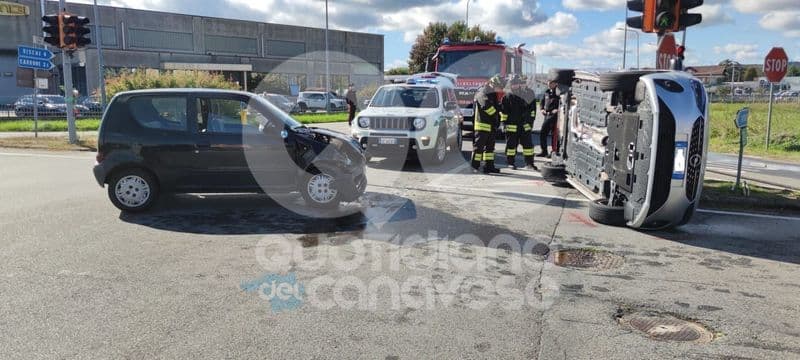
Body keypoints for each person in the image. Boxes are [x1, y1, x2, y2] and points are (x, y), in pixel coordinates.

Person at [501, 74, 537, 170]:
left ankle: (530, 163)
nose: (515, 86)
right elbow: (504, 113)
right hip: (511, 126)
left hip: (525, 126)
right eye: (513, 84)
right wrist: (504, 124)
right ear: (510, 85)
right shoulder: (507, 97)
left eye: (517, 84)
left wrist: (530, 123)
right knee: (511, 146)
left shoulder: (526, 94)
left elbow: (532, 110)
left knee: (528, 146)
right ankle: (510, 163)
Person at [472, 75, 505, 174]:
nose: (500, 89)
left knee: (490, 148)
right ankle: (474, 166)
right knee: (479, 148)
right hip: (482, 124)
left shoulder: (492, 93)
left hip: (491, 125)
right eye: (499, 87)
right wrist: (496, 114)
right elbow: (486, 106)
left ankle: (489, 166)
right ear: (493, 83)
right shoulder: (482, 91)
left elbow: (496, 106)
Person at [539, 80, 560, 157]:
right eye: (548, 83)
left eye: (551, 83)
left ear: (555, 83)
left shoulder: (558, 93)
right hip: (547, 115)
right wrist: (541, 109)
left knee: (554, 135)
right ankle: (544, 151)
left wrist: (558, 109)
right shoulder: (547, 91)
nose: (549, 84)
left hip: (555, 117)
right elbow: (542, 101)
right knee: (543, 133)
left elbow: (563, 103)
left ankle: (554, 151)